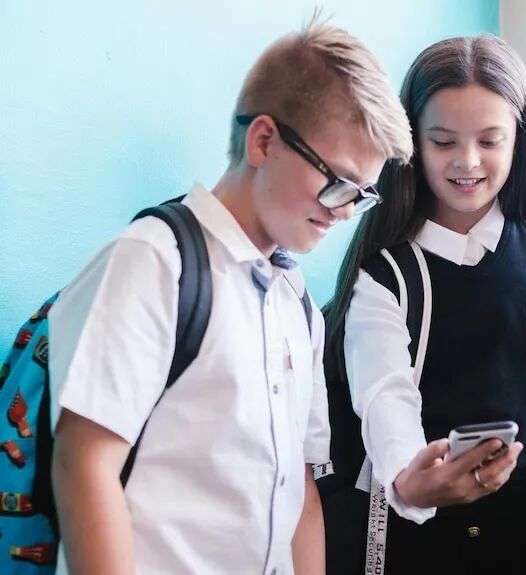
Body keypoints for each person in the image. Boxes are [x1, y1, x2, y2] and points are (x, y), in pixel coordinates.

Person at [49, 18, 412, 575]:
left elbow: (301, 491)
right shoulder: (155, 262)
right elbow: (84, 464)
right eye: (336, 181)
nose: (343, 211)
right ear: (263, 140)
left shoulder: (297, 302)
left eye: (360, 196)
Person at [324, 34, 526, 575]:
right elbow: (386, 396)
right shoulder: (387, 276)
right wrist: (413, 477)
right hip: (424, 544)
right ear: (411, 143)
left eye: (489, 140)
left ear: (519, 140)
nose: (467, 162)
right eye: (443, 141)